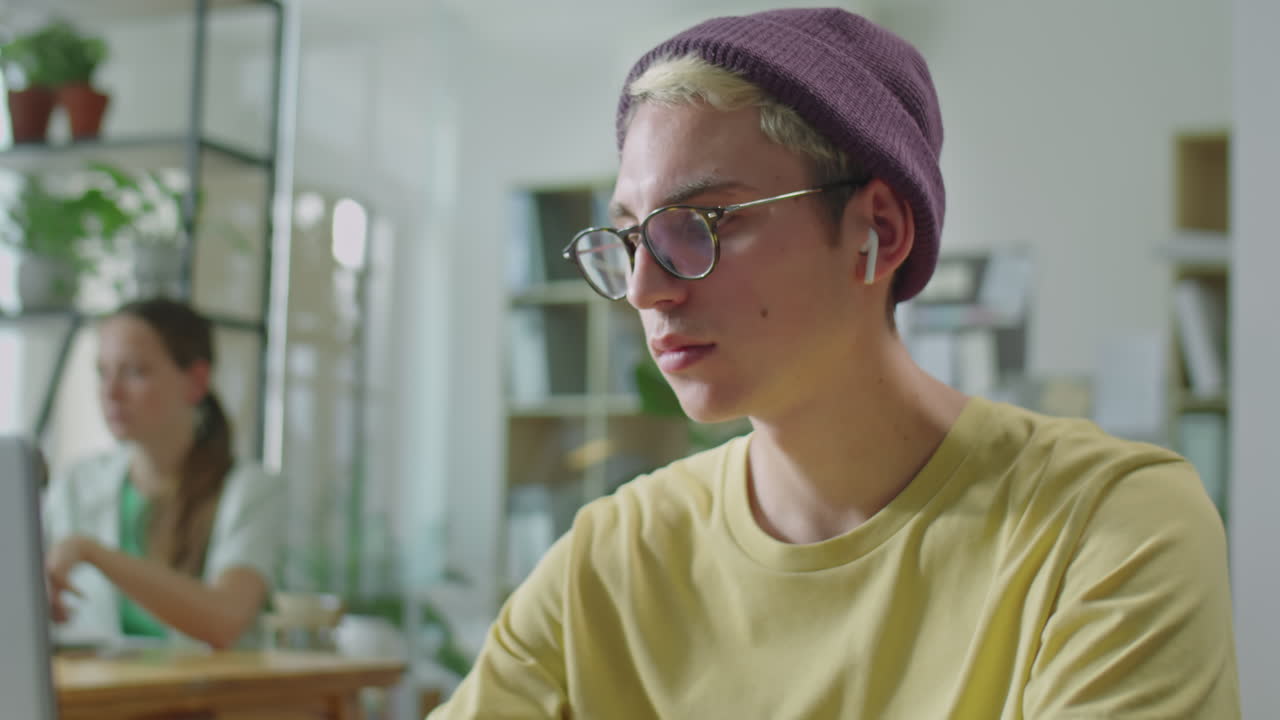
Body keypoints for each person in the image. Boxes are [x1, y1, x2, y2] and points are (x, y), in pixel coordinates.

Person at [433, 8, 1239, 719]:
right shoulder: (611, 557)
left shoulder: (1108, 525)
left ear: (876, 232)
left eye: (701, 222)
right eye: (633, 234)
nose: (644, 289)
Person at [42, 297, 284, 650]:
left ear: (196, 381)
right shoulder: (76, 485)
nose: (111, 393)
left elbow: (225, 619)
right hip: (97, 697)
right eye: (102, 372)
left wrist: (91, 552)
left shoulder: (249, 491)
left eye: (135, 372)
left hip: (207, 702)